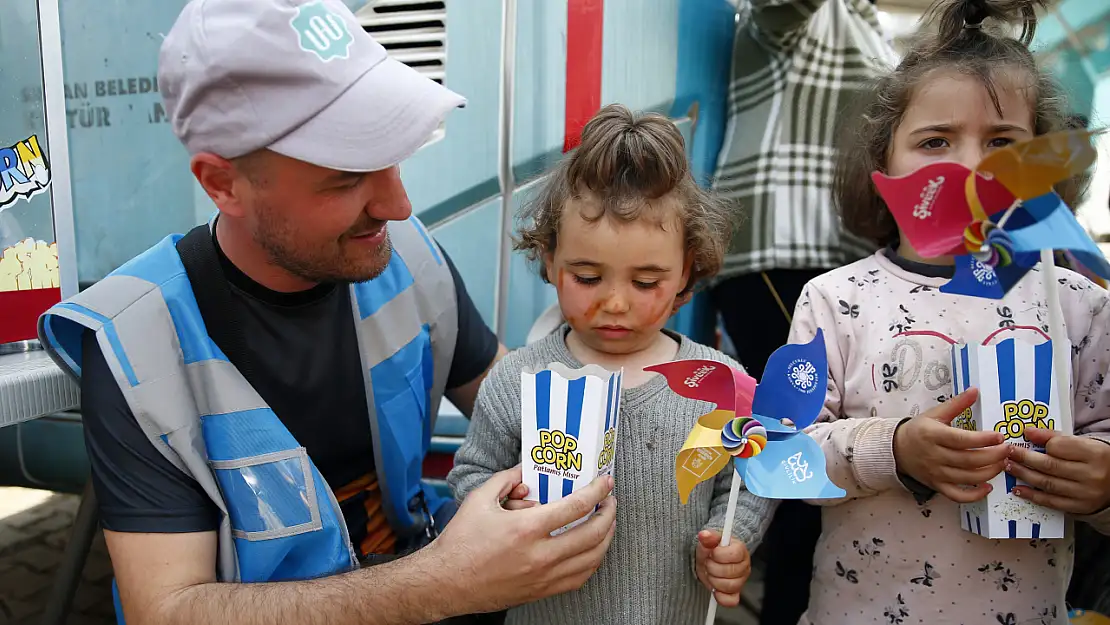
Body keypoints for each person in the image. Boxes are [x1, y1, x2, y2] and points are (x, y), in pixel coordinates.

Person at [36, 0, 617, 623]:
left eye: (392, 151)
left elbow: (528, 411)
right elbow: (168, 610)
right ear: (223, 183)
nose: (397, 203)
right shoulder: (135, 341)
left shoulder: (407, 256)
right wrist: (446, 581)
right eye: (346, 177)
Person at [787, 1, 1110, 622]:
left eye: (1002, 143)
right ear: (883, 162)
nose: (968, 165)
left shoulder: (1079, 306)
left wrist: (1102, 487)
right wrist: (896, 450)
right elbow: (785, 457)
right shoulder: (835, 300)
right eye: (936, 140)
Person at [447, 104, 777, 625]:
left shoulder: (719, 385)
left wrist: (732, 538)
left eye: (646, 282)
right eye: (587, 276)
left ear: (687, 271)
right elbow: (472, 473)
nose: (616, 303)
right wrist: (503, 507)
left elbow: (747, 476)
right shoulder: (517, 381)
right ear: (551, 260)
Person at [707, 3, 900, 621]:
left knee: (819, 449)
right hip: (777, 251)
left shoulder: (875, 26)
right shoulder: (787, 19)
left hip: (844, 257)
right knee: (798, 453)